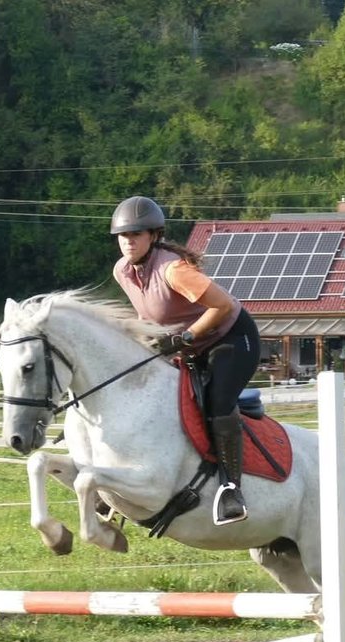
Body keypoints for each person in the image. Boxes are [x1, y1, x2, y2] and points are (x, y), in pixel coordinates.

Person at [110, 195, 261, 525]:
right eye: (123, 235)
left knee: (217, 402)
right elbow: (147, 314)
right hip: (190, 348)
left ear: (154, 235)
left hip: (232, 338)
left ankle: (232, 489)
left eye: (136, 234)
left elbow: (220, 306)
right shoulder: (122, 271)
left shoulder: (174, 270)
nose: (128, 241)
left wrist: (187, 337)